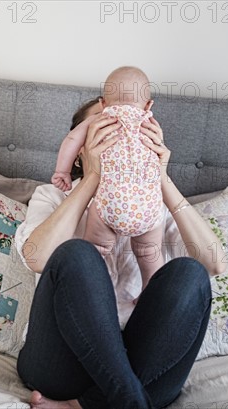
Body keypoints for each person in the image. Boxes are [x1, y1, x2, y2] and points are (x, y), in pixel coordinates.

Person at [14, 67, 226, 409]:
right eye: (104, 131)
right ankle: (125, 400)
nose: (119, 138)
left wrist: (162, 180)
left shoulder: (149, 201)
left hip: (144, 365)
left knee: (190, 273)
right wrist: (92, 179)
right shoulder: (51, 197)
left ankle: (86, 405)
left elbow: (214, 263)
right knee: (77, 255)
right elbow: (38, 258)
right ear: (80, 145)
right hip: (60, 367)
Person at [51, 67, 164, 294]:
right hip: (150, 208)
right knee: (149, 254)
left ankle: (93, 293)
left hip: (111, 204)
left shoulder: (103, 118)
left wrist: (62, 170)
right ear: (149, 105)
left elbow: (72, 139)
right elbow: (158, 151)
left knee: (95, 251)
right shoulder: (149, 123)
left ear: (104, 103)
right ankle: (151, 296)